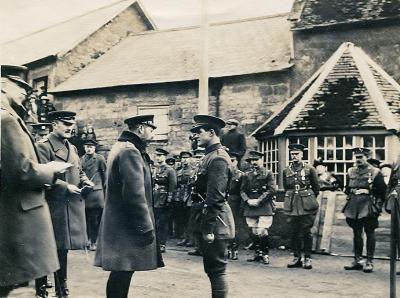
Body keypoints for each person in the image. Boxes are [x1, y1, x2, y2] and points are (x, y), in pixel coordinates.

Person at [0, 65, 72, 298]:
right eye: (19, 85)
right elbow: (22, 171)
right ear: (2, 84)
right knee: (18, 286)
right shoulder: (6, 119)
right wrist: (50, 170)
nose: (26, 91)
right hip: (19, 217)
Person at [94, 115, 164, 298]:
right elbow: (134, 194)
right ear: (140, 128)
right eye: (151, 128)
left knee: (122, 272)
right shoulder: (130, 151)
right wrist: (145, 226)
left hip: (119, 222)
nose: (153, 133)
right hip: (127, 223)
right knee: (122, 272)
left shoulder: (121, 147)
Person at [37, 111, 94, 297]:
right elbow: (40, 176)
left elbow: (79, 170)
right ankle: (42, 288)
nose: (70, 127)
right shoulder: (43, 147)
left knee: (62, 249)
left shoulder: (73, 148)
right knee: (46, 248)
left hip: (69, 206)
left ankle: (62, 288)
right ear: (54, 124)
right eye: (65, 124)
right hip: (51, 205)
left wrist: (86, 181)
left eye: (72, 124)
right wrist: (65, 186)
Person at [190, 115, 235, 298]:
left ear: (211, 132)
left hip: (215, 219)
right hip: (208, 215)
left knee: (216, 268)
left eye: (199, 132)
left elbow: (215, 196)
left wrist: (208, 228)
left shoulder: (218, 158)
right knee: (212, 267)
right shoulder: (210, 155)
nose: (196, 136)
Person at [343, 148, 386, 273]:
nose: (358, 159)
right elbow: (347, 188)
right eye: (356, 157)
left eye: (361, 157)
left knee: (369, 232)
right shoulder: (351, 171)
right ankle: (357, 260)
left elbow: (383, 191)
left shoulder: (375, 172)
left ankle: (369, 261)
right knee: (357, 233)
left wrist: (369, 192)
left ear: (367, 157)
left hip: (369, 206)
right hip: (354, 206)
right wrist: (350, 193)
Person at [283, 143, 320, 270]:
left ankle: (307, 257)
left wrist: (308, 199)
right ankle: (296, 257)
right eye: (292, 154)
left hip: (306, 204)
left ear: (302, 154)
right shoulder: (286, 170)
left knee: (306, 231)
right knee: (294, 231)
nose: (294, 156)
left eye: (297, 154)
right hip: (293, 204)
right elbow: (286, 187)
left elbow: (316, 188)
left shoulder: (310, 169)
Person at [240, 151, 276, 264]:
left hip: (264, 205)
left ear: (262, 160)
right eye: (252, 160)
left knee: (262, 231)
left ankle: (265, 254)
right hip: (251, 204)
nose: (254, 162)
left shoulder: (268, 173)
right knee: (254, 230)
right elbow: (242, 190)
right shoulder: (246, 174)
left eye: (256, 160)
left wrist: (259, 200)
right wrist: (247, 200)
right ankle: (257, 253)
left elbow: (272, 189)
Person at [81, 139, 107, 251]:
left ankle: (94, 241)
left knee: (95, 218)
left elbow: (105, 175)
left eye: (91, 146)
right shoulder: (81, 159)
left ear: (94, 148)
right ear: (84, 147)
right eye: (87, 146)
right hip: (86, 192)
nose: (89, 148)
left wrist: (105, 192)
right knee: (85, 217)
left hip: (97, 192)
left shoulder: (100, 159)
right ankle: (86, 240)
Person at [153, 148, 177, 253]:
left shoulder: (170, 170)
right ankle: (156, 242)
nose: (158, 158)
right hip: (155, 198)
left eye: (160, 156)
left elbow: (173, 186)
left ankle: (162, 244)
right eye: (157, 156)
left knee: (163, 223)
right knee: (155, 222)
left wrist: (169, 200)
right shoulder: (156, 169)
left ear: (164, 157)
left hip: (164, 199)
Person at [175, 151, 197, 246]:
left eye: (187, 158)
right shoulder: (178, 170)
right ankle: (184, 237)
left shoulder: (193, 170)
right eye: (183, 158)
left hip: (189, 195)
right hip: (180, 195)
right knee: (182, 218)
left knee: (190, 217)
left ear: (190, 159)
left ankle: (191, 239)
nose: (185, 160)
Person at [226, 152, 244, 260]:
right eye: (229, 160)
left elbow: (242, 191)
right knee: (225, 226)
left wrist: (241, 206)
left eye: (232, 160)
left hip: (235, 203)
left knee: (235, 227)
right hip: (225, 201)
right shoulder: (225, 173)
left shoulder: (240, 175)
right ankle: (227, 248)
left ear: (237, 161)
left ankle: (235, 249)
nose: (231, 163)